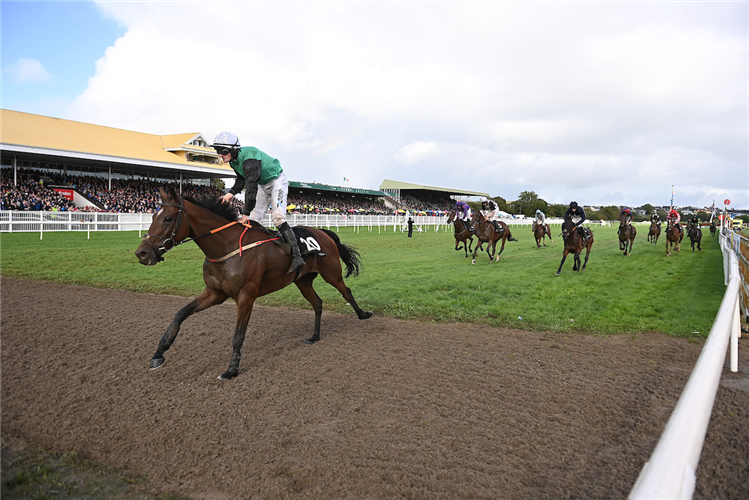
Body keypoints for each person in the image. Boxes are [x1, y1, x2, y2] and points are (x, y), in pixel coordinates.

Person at [213, 131, 305, 274]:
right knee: (253, 221)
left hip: (276, 182)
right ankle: (256, 255)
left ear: (233, 149)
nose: (220, 154)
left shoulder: (250, 159)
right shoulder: (233, 161)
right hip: (262, 184)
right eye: (218, 150)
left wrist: (245, 212)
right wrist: (230, 194)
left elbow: (251, 189)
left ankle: (298, 256)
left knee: (278, 219)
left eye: (222, 151)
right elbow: (242, 179)